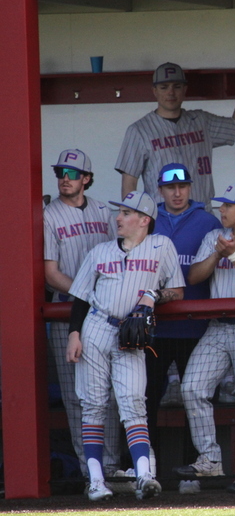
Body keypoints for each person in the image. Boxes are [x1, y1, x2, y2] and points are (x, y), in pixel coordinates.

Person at [66, 191, 184, 501]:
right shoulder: (100, 251)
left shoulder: (162, 246)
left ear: (144, 220)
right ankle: (95, 481)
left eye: (126, 213)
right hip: (96, 327)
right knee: (93, 406)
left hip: (130, 334)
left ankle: (144, 475)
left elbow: (177, 290)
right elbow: (80, 297)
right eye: (119, 212)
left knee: (133, 403)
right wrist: (74, 333)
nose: (118, 218)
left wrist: (152, 295)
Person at [175, 182, 235, 494]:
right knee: (191, 388)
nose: (221, 209)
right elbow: (194, 277)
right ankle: (210, 458)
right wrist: (218, 253)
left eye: (228, 205)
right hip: (217, 327)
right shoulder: (213, 236)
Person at [43, 149, 122, 481]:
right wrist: (87, 295)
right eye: (61, 172)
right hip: (67, 313)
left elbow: (121, 257)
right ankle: (90, 470)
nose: (65, 178)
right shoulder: (49, 215)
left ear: (86, 179)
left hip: (105, 315)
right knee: (77, 396)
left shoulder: (104, 211)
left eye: (73, 173)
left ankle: (112, 466)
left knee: (112, 393)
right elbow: (50, 273)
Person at [147, 163, 222, 462]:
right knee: (145, 400)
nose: (177, 193)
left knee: (198, 399)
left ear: (190, 187)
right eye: (170, 188)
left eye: (182, 187)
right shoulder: (148, 219)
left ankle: (195, 467)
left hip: (196, 328)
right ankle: (146, 467)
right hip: (155, 329)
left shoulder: (208, 221)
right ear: (160, 190)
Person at [115, 61, 235, 211]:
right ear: (154, 91)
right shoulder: (139, 131)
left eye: (177, 86)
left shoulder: (201, 121)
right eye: (164, 87)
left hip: (201, 214)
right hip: (162, 217)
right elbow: (129, 184)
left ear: (184, 89)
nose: (171, 92)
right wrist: (133, 219)